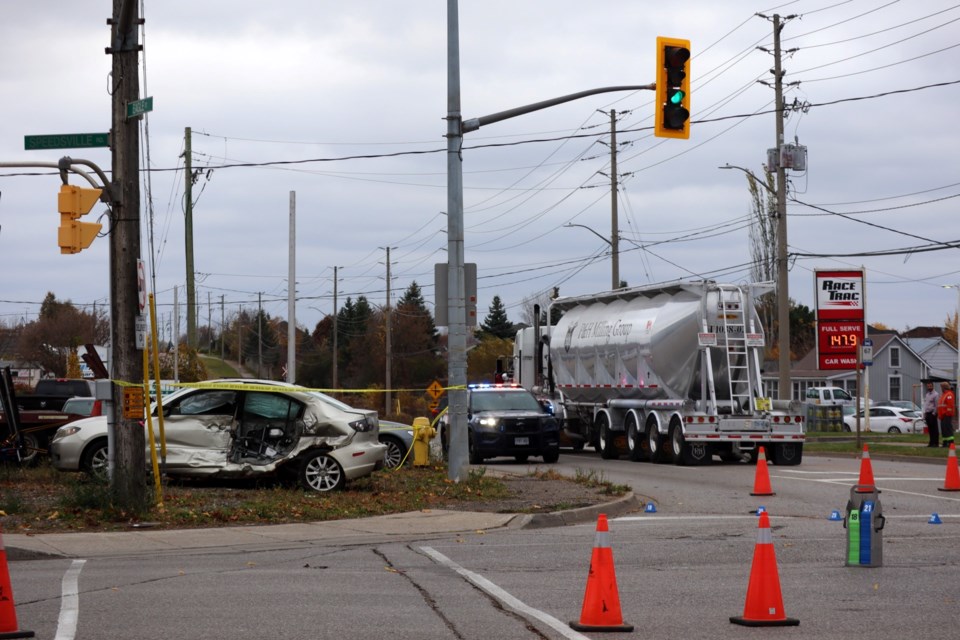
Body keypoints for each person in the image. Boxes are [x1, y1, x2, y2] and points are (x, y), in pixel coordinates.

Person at [937, 381, 956, 448]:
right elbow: (940, 406)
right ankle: (945, 443)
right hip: (943, 415)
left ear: (944, 387)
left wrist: (947, 414)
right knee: (944, 429)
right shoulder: (943, 395)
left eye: (941, 387)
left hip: (947, 415)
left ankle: (951, 443)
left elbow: (950, 406)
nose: (941, 389)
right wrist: (940, 415)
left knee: (948, 429)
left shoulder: (949, 394)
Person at [923, 381, 940, 447]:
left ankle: (936, 443)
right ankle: (931, 442)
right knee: (930, 429)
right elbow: (926, 404)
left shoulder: (936, 394)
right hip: (927, 413)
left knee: (934, 429)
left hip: (933, 413)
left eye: (930, 386)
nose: (929, 387)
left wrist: (934, 413)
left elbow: (936, 405)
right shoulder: (927, 394)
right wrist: (925, 413)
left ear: (933, 386)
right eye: (928, 386)